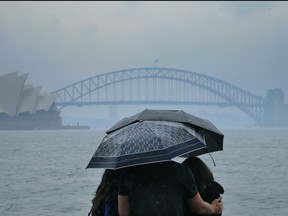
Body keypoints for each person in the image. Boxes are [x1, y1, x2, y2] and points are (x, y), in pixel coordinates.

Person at [118, 161, 223, 216]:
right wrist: (214, 208)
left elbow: (124, 213)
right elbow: (199, 208)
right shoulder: (181, 171)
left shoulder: (127, 174)